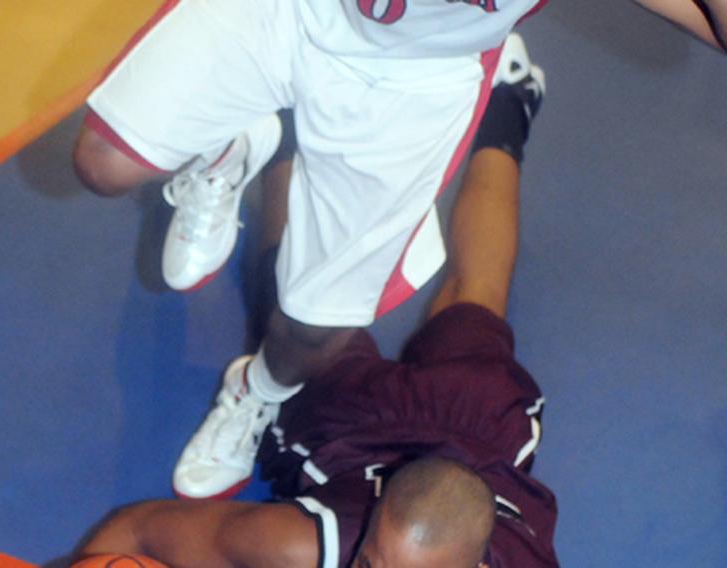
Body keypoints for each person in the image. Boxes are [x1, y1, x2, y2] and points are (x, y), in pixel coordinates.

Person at [71, 0, 727, 501]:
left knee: (315, 329)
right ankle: (238, 141)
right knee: (102, 164)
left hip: (410, 87)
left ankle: (255, 390)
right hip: (286, 12)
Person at [72, 46, 557, 567]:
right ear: (366, 540)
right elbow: (137, 532)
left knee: (469, 293)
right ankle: (289, 116)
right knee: (301, 314)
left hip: (469, 438)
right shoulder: (307, 546)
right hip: (366, 428)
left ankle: (509, 98)